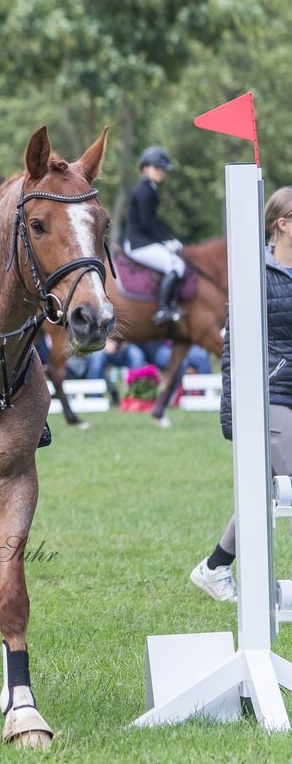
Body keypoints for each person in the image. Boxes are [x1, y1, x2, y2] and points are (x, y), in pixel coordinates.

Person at [192, 186, 292, 603]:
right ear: (283, 224)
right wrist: (231, 412)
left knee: (264, 485)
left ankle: (215, 566)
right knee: (282, 481)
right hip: (271, 394)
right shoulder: (255, 273)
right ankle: (215, 567)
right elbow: (232, 347)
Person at [124, 147, 183, 326]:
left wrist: (168, 239)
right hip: (139, 244)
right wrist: (165, 242)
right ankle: (163, 308)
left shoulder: (149, 188)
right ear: (146, 168)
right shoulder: (144, 191)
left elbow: (153, 223)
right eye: (158, 168)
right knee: (176, 265)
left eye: (162, 169)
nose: (161, 172)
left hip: (143, 241)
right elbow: (147, 223)